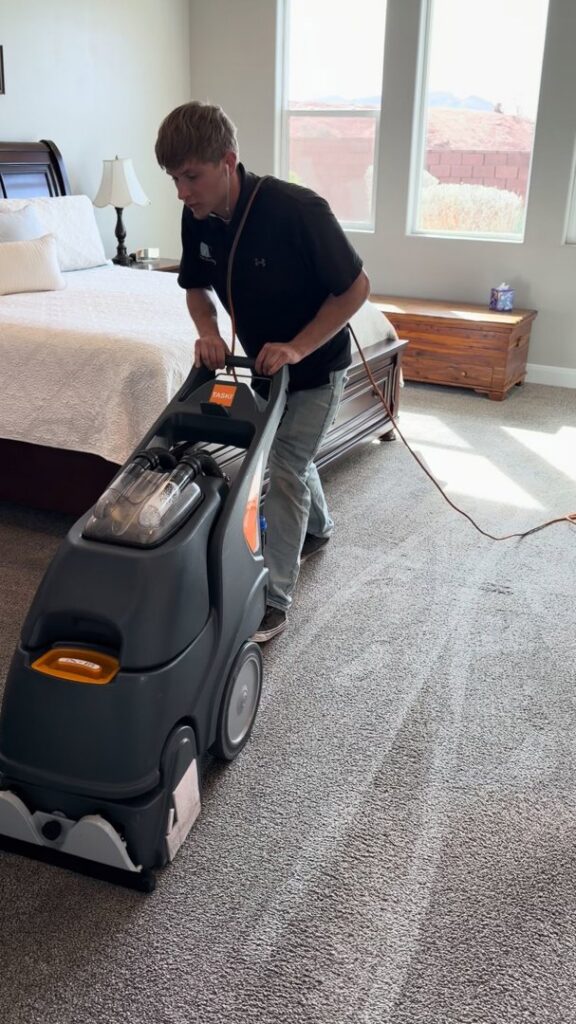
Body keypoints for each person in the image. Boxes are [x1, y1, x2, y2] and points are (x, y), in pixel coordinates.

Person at [155, 101, 370, 642]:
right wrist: (208, 331)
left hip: (317, 364)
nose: (182, 192)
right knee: (290, 457)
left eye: (191, 176)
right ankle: (317, 525)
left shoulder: (297, 210)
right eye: (174, 178)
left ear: (228, 161)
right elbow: (197, 288)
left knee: (285, 464)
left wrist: (298, 347)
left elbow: (356, 289)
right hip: (264, 366)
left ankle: (273, 597)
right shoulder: (198, 216)